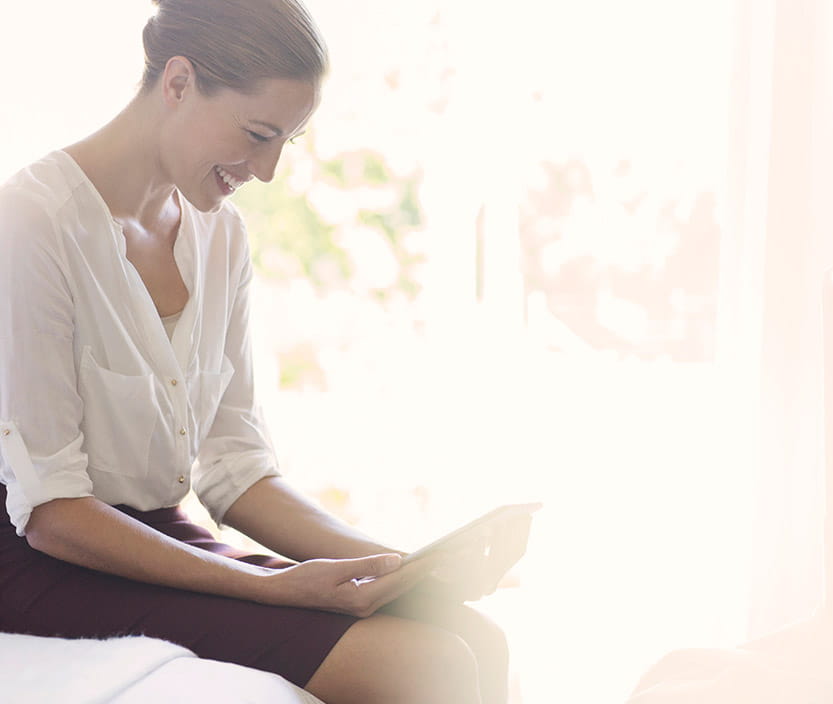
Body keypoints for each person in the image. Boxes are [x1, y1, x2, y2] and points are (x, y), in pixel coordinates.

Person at [0, 1, 531, 703]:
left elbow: (234, 468)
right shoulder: (32, 224)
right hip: (44, 560)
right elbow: (53, 513)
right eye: (258, 134)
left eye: (288, 141)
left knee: (479, 638)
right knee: (422, 665)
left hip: (158, 537)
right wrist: (268, 585)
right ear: (179, 82)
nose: (269, 170)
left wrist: (397, 568)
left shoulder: (220, 240)